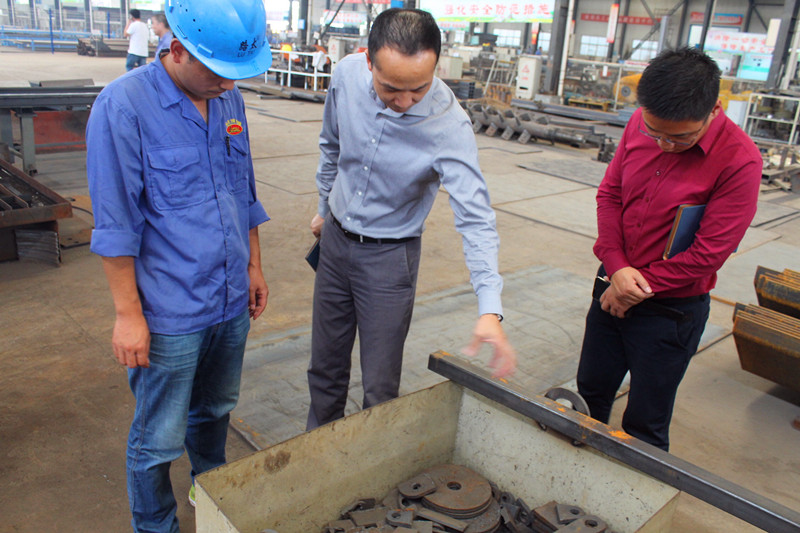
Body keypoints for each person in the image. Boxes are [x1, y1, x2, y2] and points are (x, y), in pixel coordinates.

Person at [85, 0, 273, 531]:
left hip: (229, 300)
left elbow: (243, 191)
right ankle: (155, 524)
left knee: (215, 411)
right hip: (169, 313)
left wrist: (253, 266)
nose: (225, 84)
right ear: (174, 50)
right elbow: (116, 223)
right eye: (216, 72)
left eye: (234, 75)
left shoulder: (227, 96)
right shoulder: (123, 108)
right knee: (158, 438)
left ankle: (211, 493)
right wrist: (128, 315)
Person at [306, 8, 516, 430]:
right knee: (324, 373)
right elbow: (332, 146)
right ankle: (319, 464)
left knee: (380, 390)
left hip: (389, 261)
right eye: (389, 89)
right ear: (367, 61)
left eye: (417, 89)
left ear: (436, 66)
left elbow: (475, 219)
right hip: (334, 245)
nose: (403, 102)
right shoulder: (345, 76)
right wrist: (324, 205)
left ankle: (369, 483)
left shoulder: (449, 125)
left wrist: (489, 308)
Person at [576, 47, 762, 452]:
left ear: (714, 110)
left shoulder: (740, 161)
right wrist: (617, 267)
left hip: (671, 311)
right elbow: (610, 195)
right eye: (654, 131)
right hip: (610, 286)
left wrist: (631, 285)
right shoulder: (639, 126)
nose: (664, 144)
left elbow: (709, 253)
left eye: (680, 137)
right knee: (589, 394)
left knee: (645, 419)